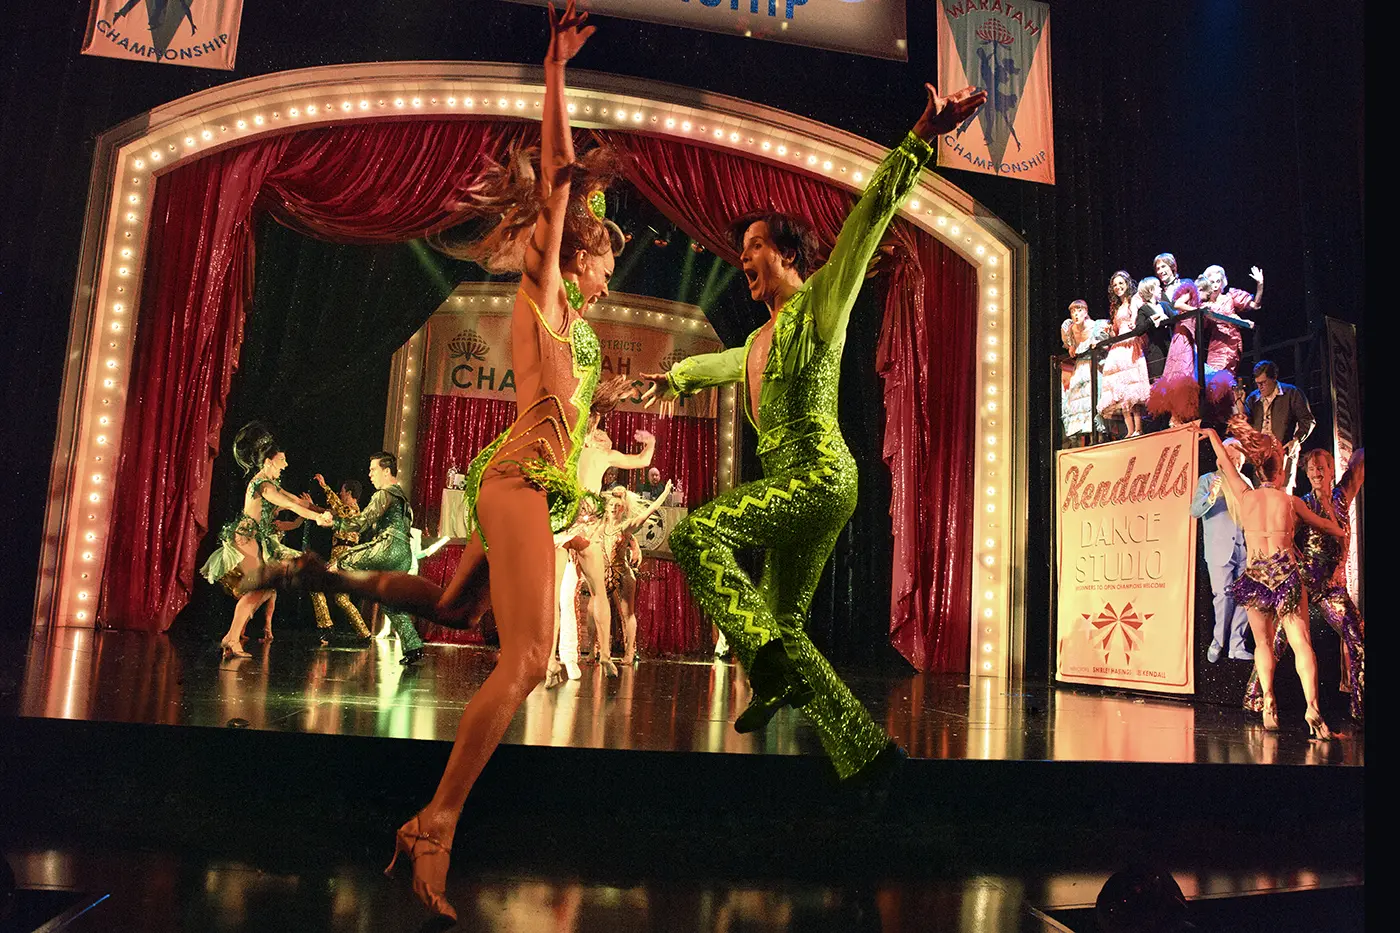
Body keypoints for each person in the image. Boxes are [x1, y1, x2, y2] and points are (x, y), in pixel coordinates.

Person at [242, 5, 620, 919]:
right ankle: (436, 821)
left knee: (454, 605)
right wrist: (554, 70)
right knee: (526, 658)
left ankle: (324, 572)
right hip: (518, 482)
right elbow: (560, 179)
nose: (614, 259)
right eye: (605, 247)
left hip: (524, 481)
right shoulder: (547, 294)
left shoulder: (586, 335)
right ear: (577, 250)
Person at [639, 81, 987, 782]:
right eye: (741, 248)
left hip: (822, 477)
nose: (744, 255)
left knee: (695, 534)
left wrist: (922, 134)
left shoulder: (821, 301)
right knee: (782, 626)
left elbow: (867, 217)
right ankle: (866, 753)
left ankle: (769, 664)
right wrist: (667, 380)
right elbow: (720, 363)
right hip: (793, 489)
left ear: (790, 255)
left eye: (757, 245)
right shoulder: (761, 340)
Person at [1198, 419, 1345, 738]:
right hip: (1285, 574)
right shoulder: (1290, 502)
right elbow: (1331, 528)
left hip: (1256, 575)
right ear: (1279, 472)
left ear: (1258, 470)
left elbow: (1224, 462)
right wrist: (1334, 520)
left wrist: (1211, 435)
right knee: (1302, 643)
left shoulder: (1246, 497)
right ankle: (1313, 709)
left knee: (1263, 643)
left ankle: (1267, 700)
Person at [1244, 448, 1365, 723]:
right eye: (1310, 469)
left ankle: (1359, 709)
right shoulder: (1300, 503)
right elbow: (1282, 536)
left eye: (1321, 467)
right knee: (1277, 640)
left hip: (1331, 587)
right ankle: (1255, 697)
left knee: (1357, 637)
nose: (1315, 472)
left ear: (1331, 470)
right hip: (1304, 582)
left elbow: (1358, 468)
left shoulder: (1341, 497)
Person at [200, 422, 333, 658]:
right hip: (246, 539)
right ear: (269, 461)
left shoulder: (270, 483)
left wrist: (327, 513)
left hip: (255, 540)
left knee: (264, 588)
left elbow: (297, 500)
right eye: (282, 460)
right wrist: (316, 517)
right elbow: (291, 505)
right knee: (259, 588)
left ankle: (232, 636)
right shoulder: (262, 484)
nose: (286, 464)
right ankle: (232, 638)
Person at [323, 452, 424, 665]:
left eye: (373, 470)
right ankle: (413, 645)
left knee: (347, 559)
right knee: (389, 602)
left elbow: (362, 522)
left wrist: (335, 523)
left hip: (389, 548)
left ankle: (335, 569)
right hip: (404, 554)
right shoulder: (402, 497)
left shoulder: (384, 494)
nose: (369, 474)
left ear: (386, 471)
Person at [1190, 437, 1252, 662]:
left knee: (1247, 597)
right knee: (1223, 597)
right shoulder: (1208, 480)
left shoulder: (1245, 482)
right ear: (1220, 459)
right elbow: (1195, 510)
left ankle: (1237, 644)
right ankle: (1218, 642)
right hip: (1219, 548)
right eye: (1230, 458)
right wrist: (1212, 494)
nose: (1234, 462)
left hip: (1244, 548)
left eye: (1238, 458)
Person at [308, 474, 371, 641]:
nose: (340, 494)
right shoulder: (346, 511)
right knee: (341, 598)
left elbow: (337, 507)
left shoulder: (352, 510)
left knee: (316, 585)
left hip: (342, 559)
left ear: (349, 493)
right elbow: (328, 511)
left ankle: (326, 626)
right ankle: (364, 633)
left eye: (342, 492)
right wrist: (311, 506)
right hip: (345, 559)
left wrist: (324, 486)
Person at [1243, 360, 1314, 495]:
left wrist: (1297, 439)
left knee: (1283, 496)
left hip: (1283, 454)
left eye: (1263, 383)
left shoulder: (1291, 393)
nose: (1260, 387)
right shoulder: (1253, 398)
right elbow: (1244, 426)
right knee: (1262, 497)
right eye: (1257, 383)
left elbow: (1308, 419)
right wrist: (1240, 404)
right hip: (1261, 457)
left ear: (1274, 378)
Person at [1097, 271, 1151, 437]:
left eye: (1121, 283)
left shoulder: (1134, 300)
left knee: (1132, 386)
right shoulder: (1117, 307)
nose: (1118, 287)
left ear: (1128, 284)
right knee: (1121, 389)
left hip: (1130, 345)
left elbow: (1139, 320)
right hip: (1118, 348)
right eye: (1115, 285)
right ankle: (1129, 430)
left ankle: (1139, 428)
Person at [1060, 300, 1111, 447]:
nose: (1076, 314)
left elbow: (1105, 346)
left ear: (1085, 311)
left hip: (1093, 365)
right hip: (1080, 367)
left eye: (1079, 310)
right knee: (1078, 400)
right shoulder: (1069, 329)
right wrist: (1071, 347)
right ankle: (1082, 435)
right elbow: (1072, 349)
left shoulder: (1097, 326)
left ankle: (1100, 434)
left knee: (1094, 396)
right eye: (1073, 312)